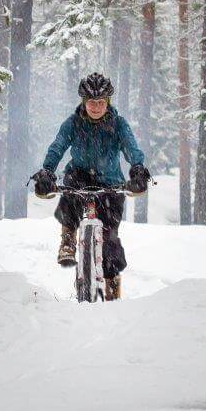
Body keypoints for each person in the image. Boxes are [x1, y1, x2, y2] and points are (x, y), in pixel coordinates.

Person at [31, 72, 150, 300]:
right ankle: (68, 238)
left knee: (110, 240)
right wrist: (47, 171)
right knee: (70, 187)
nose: (96, 107)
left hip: (110, 183)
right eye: (91, 102)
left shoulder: (118, 123)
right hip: (81, 178)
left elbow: (131, 146)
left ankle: (113, 290)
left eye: (101, 102)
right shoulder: (73, 123)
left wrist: (137, 167)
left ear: (108, 103)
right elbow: (57, 147)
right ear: (83, 102)